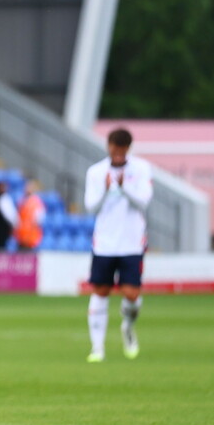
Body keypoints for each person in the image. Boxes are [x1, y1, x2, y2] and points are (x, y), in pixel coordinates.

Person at [84, 128, 153, 362]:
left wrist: (125, 188)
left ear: (128, 148)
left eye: (122, 149)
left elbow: (143, 203)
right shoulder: (96, 172)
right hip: (104, 242)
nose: (118, 153)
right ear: (109, 146)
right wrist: (105, 190)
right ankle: (97, 348)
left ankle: (128, 327)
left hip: (132, 241)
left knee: (131, 294)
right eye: (115, 148)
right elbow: (91, 207)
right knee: (101, 291)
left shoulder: (141, 169)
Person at [14, 179, 46, 251]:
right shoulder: (22, 200)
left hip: (30, 236)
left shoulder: (36, 202)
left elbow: (39, 219)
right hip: (21, 235)